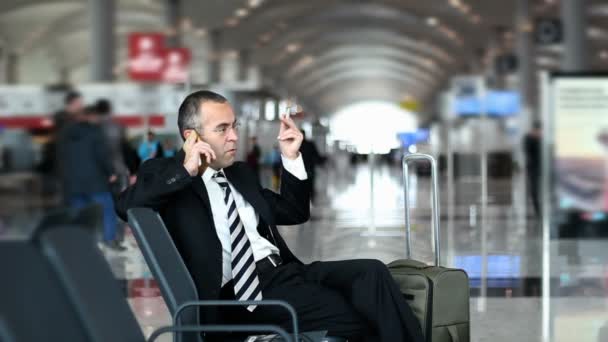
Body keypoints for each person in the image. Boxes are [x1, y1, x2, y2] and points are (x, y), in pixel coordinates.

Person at [116, 90, 423, 342]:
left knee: (372, 272)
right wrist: (185, 169)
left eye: (234, 126)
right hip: (241, 294)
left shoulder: (239, 175)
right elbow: (126, 205)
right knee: (355, 319)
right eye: (222, 129)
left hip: (284, 273)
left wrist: (290, 159)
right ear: (191, 136)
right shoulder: (168, 175)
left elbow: (294, 211)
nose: (234, 136)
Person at [57, 105, 124, 251]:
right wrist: (111, 172)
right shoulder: (94, 132)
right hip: (95, 181)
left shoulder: (65, 133)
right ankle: (110, 239)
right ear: (89, 117)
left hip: (73, 182)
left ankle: (81, 242)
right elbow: (102, 155)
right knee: (107, 208)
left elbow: (60, 158)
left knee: (79, 212)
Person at [299, 130, 324, 203]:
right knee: (310, 185)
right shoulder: (310, 144)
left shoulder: (296, 145)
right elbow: (317, 156)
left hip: (300, 170)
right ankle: (311, 200)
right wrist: (322, 161)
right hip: (309, 169)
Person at [523, 120, 542, 218]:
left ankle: (541, 210)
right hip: (533, 168)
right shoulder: (529, 138)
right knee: (534, 189)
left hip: (542, 168)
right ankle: (538, 211)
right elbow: (528, 153)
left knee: (541, 190)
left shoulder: (541, 139)